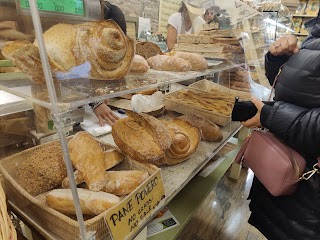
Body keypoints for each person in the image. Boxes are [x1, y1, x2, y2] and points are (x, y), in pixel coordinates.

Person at [240, 16, 320, 239]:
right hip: (287, 171)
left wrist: (270, 115)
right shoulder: (315, 35)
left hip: (308, 191)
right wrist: (278, 60)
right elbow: (300, 91)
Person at [89, 1, 127, 126]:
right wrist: (95, 100)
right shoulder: (78, 12)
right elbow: (74, 69)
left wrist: (104, 86)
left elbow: (120, 58)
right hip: (74, 98)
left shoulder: (114, 13)